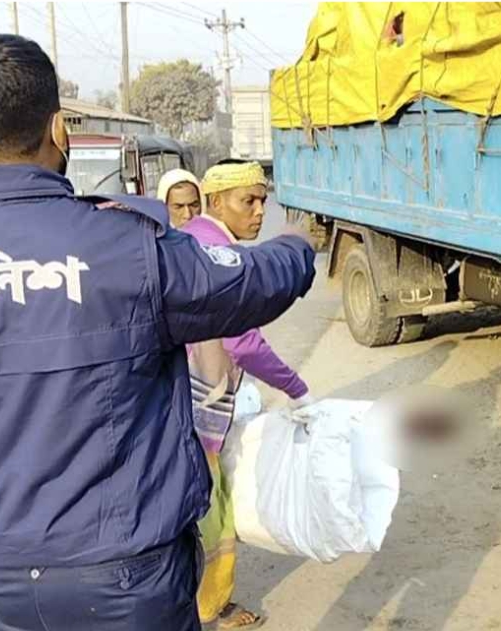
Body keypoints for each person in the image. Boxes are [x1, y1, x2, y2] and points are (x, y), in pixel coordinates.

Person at [0, 34, 315, 631]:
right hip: (132, 580)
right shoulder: (129, 249)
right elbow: (249, 283)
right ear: (59, 129)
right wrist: (297, 246)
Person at [180, 161, 313, 629]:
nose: (259, 212)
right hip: (199, 408)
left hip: (177, 403)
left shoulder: (190, 238)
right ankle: (210, 605)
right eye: (248, 201)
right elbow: (242, 342)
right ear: (217, 202)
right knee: (215, 515)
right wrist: (297, 388)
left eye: (262, 201)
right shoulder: (217, 251)